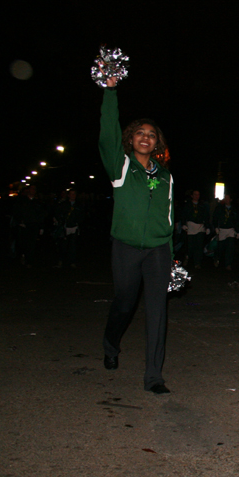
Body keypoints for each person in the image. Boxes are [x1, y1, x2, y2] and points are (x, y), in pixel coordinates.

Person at [99, 76, 174, 395]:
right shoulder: (121, 166)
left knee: (158, 310)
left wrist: (172, 252)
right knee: (124, 304)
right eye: (140, 133)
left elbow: (169, 216)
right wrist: (110, 91)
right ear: (131, 139)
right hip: (126, 247)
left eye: (151, 135)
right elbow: (107, 134)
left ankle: (154, 376)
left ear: (157, 143)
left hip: (158, 249)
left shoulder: (165, 175)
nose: (145, 138)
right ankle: (110, 345)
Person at [181, 190, 210, 268]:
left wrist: (207, 227)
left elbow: (206, 216)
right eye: (195, 194)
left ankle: (197, 262)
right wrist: (183, 224)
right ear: (192, 196)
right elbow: (183, 215)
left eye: (198, 194)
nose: (197, 196)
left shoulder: (202, 205)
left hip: (200, 226)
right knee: (190, 245)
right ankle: (187, 256)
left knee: (199, 245)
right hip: (190, 226)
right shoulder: (188, 205)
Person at [212, 194, 239, 270]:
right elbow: (215, 218)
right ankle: (217, 258)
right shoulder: (219, 208)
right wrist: (215, 227)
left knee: (230, 247)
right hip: (222, 229)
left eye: (228, 198)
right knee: (220, 247)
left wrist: (237, 231)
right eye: (225, 198)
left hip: (230, 229)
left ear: (231, 199)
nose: (226, 199)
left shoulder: (234, 209)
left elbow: (237, 220)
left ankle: (228, 264)